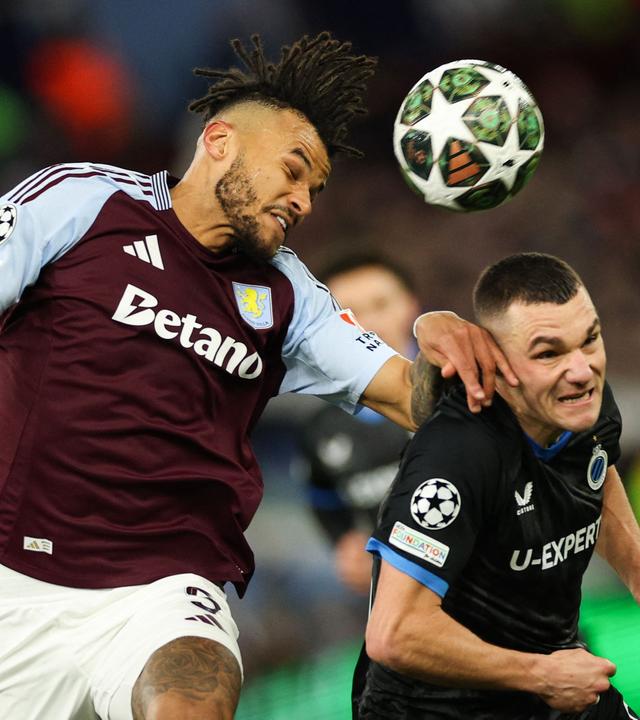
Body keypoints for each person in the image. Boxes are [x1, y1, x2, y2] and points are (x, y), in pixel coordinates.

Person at [0, 32, 516, 720]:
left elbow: (408, 395)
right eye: (293, 171)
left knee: (193, 697)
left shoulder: (288, 295)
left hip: (161, 591)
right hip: (14, 572)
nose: (304, 201)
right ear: (219, 142)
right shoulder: (83, 203)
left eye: (316, 189)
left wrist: (448, 343)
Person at [355, 252, 640, 719]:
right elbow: (394, 633)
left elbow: (593, 477)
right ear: (498, 365)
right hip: (434, 709)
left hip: (548, 676)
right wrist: (541, 675)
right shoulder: (459, 451)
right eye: (548, 354)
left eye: (589, 340)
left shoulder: (584, 403)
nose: (581, 370)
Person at [300, 252, 420, 595]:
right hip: (401, 603)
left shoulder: (465, 390)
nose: (369, 324)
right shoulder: (320, 432)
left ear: (411, 306)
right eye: (350, 313)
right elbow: (323, 499)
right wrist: (346, 545)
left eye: (381, 304)